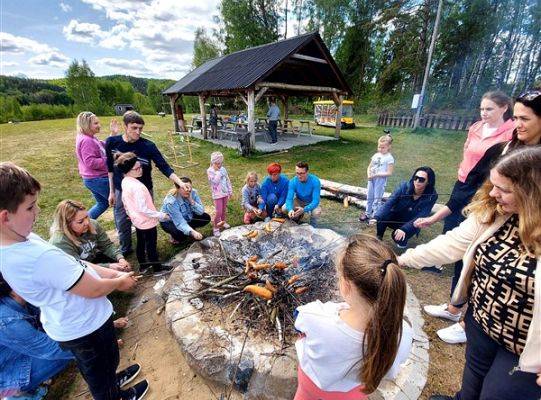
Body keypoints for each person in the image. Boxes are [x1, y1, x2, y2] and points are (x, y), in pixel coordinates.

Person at [399, 147, 541, 400]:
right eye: (494, 185)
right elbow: (451, 244)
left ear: (534, 192)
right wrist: (403, 259)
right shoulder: (495, 212)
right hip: (481, 323)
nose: (494, 193)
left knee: (496, 395)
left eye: (505, 189)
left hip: (523, 350)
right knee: (472, 383)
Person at [0, 162, 148, 400]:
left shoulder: (21, 239)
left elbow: (74, 265)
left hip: (74, 323)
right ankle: (112, 395)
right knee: (99, 368)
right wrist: (119, 282)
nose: (37, 212)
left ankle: (111, 381)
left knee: (100, 367)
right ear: (5, 217)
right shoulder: (35, 258)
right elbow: (93, 289)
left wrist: (112, 273)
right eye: (30, 207)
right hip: (84, 327)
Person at [415, 89, 540, 344]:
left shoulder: (511, 142)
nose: (518, 124)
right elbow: (471, 168)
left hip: (506, 210)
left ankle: (467, 318)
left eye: (523, 118)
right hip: (477, 193)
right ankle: (455, 307)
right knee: (464, 250)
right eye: (516, 118)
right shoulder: (480, 132)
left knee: (491, 264)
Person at [294, 234, 413, 399]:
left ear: (346, 285)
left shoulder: (317, 316)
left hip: (311, 385)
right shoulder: (403, 333)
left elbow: (298, 320)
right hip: (353, 393)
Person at [105, 111, 188, 256]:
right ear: (125, 126)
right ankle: (125, 249)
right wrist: (111, 191)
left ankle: (147, 250)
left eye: (140, 129)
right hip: (121, 190)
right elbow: (110, 169)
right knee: (122, 220)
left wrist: (180, 183)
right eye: (134, 128)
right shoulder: (112, 143)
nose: (138, 132)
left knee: (145, 220)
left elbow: (164, 166)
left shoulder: (148, 146)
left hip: (144, 190)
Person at [0, 274, 73, 400]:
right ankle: (14, 393)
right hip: (6, 373)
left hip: (13, 354)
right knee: (59, 355)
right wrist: (99, 344)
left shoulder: (22, 300)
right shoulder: (6, 319)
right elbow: (51, 349)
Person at [114, 152, 170, 274]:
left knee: (140, 242)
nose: (141, 170)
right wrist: (162, 215)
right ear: (128, 170)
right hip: (146, 221)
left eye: (141, 166)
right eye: (137, 168)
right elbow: (143, 209)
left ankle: (143, 266)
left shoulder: (125, 181)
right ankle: (157, 269)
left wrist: (130, 214)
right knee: (151, 245)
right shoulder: (137, 187)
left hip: (137, 220)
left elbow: (126, 201)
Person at [49, 200, 131, 271]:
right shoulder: (60, 242)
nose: (87, 223)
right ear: (66, 224)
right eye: (80, 221)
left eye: (86, 217)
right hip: (75, 270)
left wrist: (120, 258)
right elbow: (77, 267)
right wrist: (108, 267)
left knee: (123, 270)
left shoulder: (93, 224)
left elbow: (106, 245)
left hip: (92, 259)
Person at [369, 166, 437, 248]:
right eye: (415, 178)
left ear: (428, 182)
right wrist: (377, 217)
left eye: (421, 179)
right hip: (397, 215)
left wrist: (405, 229)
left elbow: (422, 215)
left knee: (398, 237)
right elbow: (389, 202)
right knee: (382, 216)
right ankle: (379, 237)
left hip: (412, 221)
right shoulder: (404, 186)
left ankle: (402, 244)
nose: (417, 181)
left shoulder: (432, 196)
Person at [75, 112, 120, 220]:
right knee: (118, 203)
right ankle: (122, 229)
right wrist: (110, 158)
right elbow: (91, 162)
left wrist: (113, 135)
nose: (99, 125)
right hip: (98, 179)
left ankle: (83, 224)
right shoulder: (87, 141)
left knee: (103, 204)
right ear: (86, 125)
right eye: (95, 123)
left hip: (91, 179)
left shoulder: (90, 137)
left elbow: (103, 147)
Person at [160, 177, 211, 243]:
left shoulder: (193, 192)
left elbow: (200, 211)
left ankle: (188, 229)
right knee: (181, 235)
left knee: (206, 218)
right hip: (170, 221)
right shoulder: (171, 202)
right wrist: (193, 233)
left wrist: (191, 200)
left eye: (189, 187)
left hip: (186, 216)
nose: (188, 190)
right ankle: (174, 235)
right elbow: (180, 222)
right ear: (178, 188)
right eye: (184, 187)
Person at [359, 134, 395, 221]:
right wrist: (369, 174)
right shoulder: (376, 155)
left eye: (383, 147)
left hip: (380, 180)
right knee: (369, 197)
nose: (380, 149)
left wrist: (376, 175)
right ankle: (367, 213)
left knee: (377, 199)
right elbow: (369, 167)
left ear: (389, 147)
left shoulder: (389, 158)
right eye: (379, 147)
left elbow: (389, 172)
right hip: (371, 179)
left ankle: (375, 216)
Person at [283, 162, 322, 227]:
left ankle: (313, 227)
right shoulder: (293, 181)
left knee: (316, 212)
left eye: (301, 173)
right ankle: (297, 217)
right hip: (299, 200)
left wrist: (304, 209)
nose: (299, 176)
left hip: (311, 201)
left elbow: (316, 200)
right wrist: (290, 209)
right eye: (297, 173)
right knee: (284, 208)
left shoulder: (315, 181)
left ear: (307, 172)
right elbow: (289, 199)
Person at [207, 151, 233, 237]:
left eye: (221, 163)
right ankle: (216, 227)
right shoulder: (210, 171)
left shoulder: (223, 169)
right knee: (218, 212)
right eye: (217, 163)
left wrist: (230, 191)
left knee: (223, 210)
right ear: (212, 163)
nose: (219, 165)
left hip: (225, 193)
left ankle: (223, 222)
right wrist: (217, 172)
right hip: (217, 195)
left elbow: (227, 179)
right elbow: (215, 182)